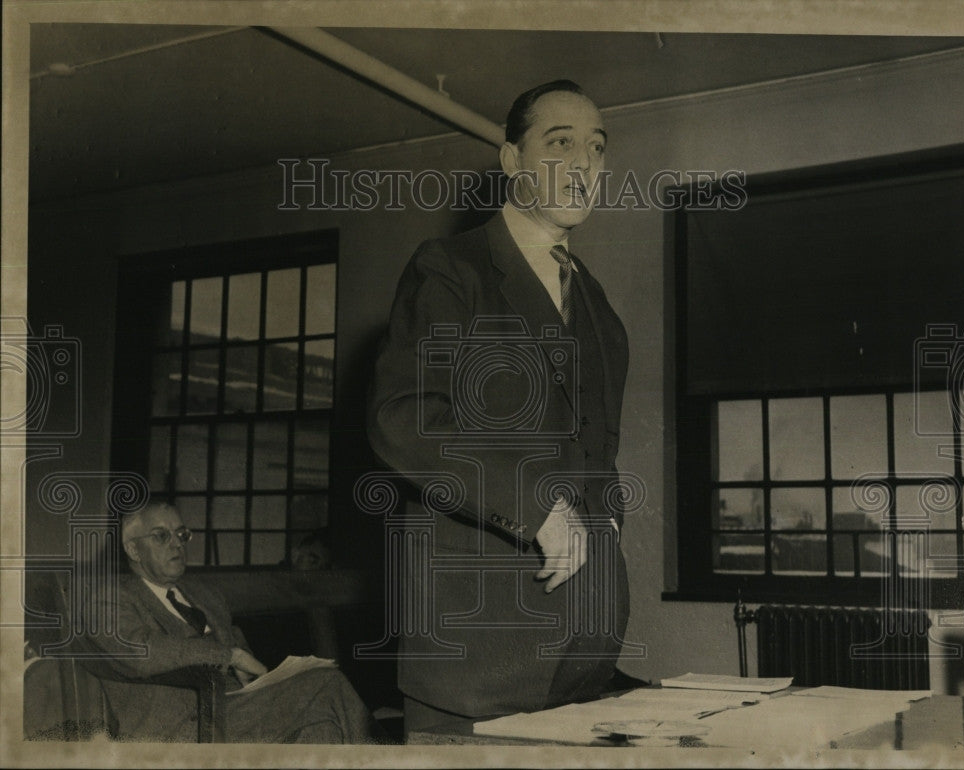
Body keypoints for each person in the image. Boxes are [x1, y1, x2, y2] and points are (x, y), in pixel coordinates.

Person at [368, 80, 631, 735]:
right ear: (512, 161)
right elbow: (404, 418)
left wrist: (609, 528)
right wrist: (533, 507)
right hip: (476, 661)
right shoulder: (451, 268)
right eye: (560, 143)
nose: (583, 164)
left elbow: (599, 449)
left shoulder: (600, 308)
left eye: (596, 149)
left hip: (583, 657)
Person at [89, 500, 380, 743]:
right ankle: (393, 757)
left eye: (181, 535)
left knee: (320, 726)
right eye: (161, 536)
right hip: (181, 723)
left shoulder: (205, 594)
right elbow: (139, 651)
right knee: (325, 683)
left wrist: (265, 676)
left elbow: (241, 650)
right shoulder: (110, 597)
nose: (176, 544)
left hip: (233, 709)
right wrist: (228, 656)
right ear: (133, 549)